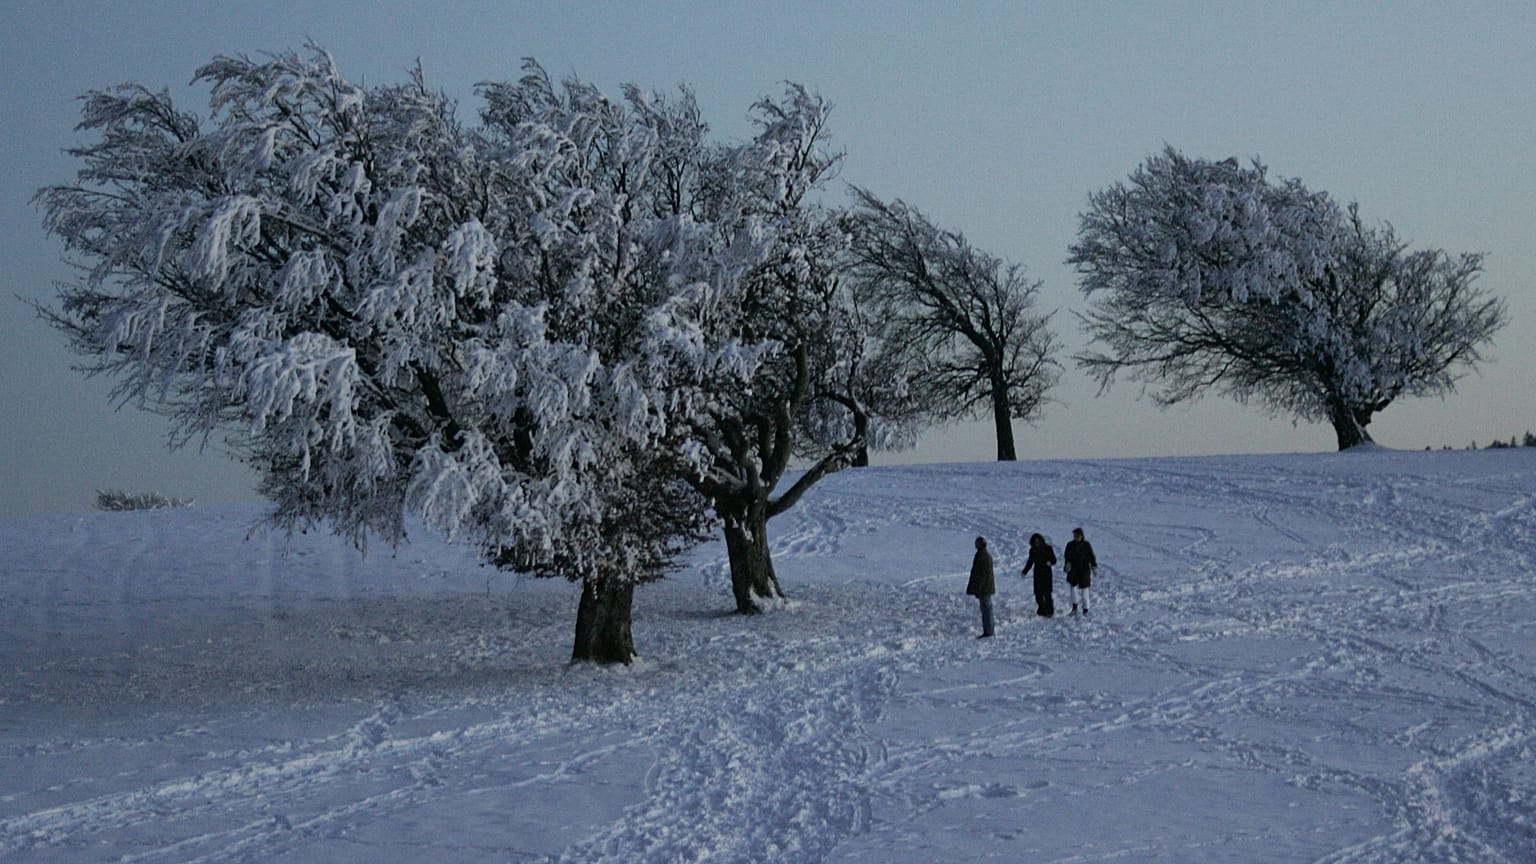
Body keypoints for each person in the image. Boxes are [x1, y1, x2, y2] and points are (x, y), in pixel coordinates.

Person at [966, 536, 996, 638]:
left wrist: (979, 589)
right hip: (985, 587)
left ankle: (988, 631)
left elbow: (982, 575)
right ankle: (988, 630)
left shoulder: (982, 556)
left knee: (986, 610)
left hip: (984, 588)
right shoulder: (983, 555)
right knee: (986, 610)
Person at [1064, 527, 1098, 616]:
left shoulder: (1086, 545)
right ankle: (1074, 608)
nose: (1076, 537)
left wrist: (1093, 566)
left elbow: (1091, 556)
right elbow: (1067, 556)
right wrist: (1067, 564)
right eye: (1075, 536)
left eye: (1078, 536)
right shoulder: (1070, 545)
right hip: (1073, 571)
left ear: (1082, 536)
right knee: (1073, 590)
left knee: (1084, 591)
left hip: (1084, 571)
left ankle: (1085, 610)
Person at [1023, 533, 1057, 618]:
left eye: (1038, 542)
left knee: (1047, 593)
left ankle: (1050, 611)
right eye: (1035, 542)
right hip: (1037, 573)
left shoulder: (1048, 548)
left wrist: (1050, 562)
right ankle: (1042, 609)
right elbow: (1030, 562)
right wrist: (1025, 571)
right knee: (1037, 593)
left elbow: (1054, 560)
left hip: (1046, 573)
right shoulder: (1032, 550)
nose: (1037, 543)